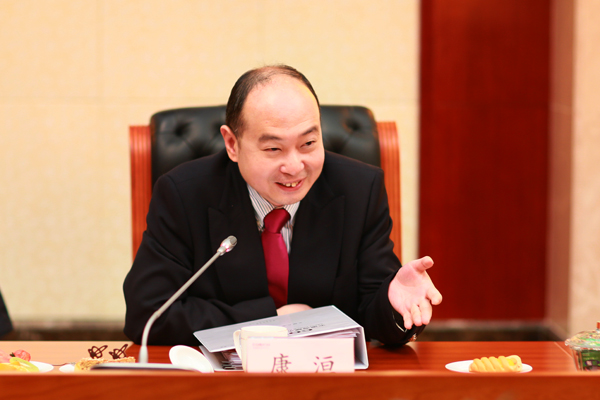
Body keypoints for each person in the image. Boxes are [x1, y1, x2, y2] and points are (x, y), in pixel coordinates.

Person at [123, 65, 442, 346]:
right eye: (274, 149)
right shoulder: (184, 194)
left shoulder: (360, 189)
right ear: (232, 144)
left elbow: (372, 310)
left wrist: (393, 304)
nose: (294, 167)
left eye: (308, 144)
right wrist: (270, 321)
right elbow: (149, 314)